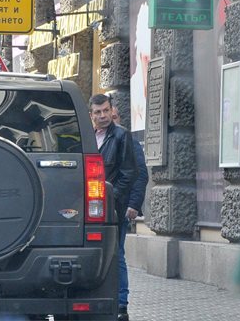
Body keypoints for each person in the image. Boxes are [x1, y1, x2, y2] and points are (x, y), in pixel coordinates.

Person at [89, 94, 138, 321]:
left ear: (112, 111)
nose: (103, 116)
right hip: (91, 209)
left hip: (113, 208)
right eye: (98, 112)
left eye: (106, 110)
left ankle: (121, 304)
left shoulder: (121, 136)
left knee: (116, 254)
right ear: (91, 115)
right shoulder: (88, 137)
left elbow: (129, 174)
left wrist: (110, 198)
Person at [112, 107, 149, 321]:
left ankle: (121, 303)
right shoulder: (98, 139)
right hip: (100, 207)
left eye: (113, 115)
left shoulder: (127, 139)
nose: (109, 119)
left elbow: (140, 174)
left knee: (117, 254)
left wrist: (134, 204)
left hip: (121, 207)